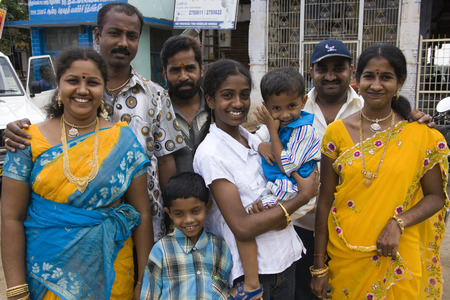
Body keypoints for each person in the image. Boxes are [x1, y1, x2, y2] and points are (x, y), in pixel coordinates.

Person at [3, 2, 185, 241]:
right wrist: (18, 130)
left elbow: (165, 161)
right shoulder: (73, 93)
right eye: (114, 33)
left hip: (146, 221)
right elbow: (50, 140)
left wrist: (174, 216)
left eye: (132, 36)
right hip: (84, 224)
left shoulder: (156, 95)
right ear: (98, 35)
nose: (123, 42)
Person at [1, 48, 153, 300]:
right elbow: (10, 218)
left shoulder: (123, 140)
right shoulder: (27, 140)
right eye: (73, 80)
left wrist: (143, 282)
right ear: (58, 85)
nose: (82, 90)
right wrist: (16, 290)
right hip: (45, 275)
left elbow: (143, 215)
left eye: (92, 82)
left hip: (112, 272)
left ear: (103, 88)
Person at [311, 43, 448, 299]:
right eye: (369, 76)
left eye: (386, 77)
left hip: (398, 256)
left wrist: (400, 222)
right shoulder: (336, 133)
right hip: (346, 255)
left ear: (400, 81)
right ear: (357, 79)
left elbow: (436, 197)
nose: (376, 85)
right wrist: (319, 266)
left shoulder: (420, 135)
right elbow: (325, 201)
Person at [193, 59, 320, 300]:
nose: (238, 103)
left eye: (243, 95)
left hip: (285, 258)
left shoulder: (253, 140)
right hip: (252, 276)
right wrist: (303, 196)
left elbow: (285, 178)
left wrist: (279, 209)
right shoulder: (211, 154)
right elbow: (242, 226)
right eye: (227, 95)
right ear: (210, 100)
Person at [234, 67, 321, 297]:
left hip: (296, 190)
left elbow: (288, 166)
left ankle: (274, 218)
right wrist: (261, 143)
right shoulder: (275, 128)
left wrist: (272, 132)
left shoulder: (303, 130)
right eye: (276, 108)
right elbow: (252, 138)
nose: (284, 115)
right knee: (251, 219)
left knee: (251, 222)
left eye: (291, 106)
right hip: (284, 188)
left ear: (303, 101)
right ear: (266, 106)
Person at [140, 172, 232, 299]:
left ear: (208, 207)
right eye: (179, 214)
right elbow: (149, 295)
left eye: (195, 211)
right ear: (169, 214)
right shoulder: (161, 250)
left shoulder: (221, 248)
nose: (188, 220)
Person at [160, 35, 208, 173]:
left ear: (201, 70)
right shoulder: (157, 112)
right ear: (165, 74)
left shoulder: (216, 109)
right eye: (175, 70)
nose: (183, 77)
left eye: (190, 68)